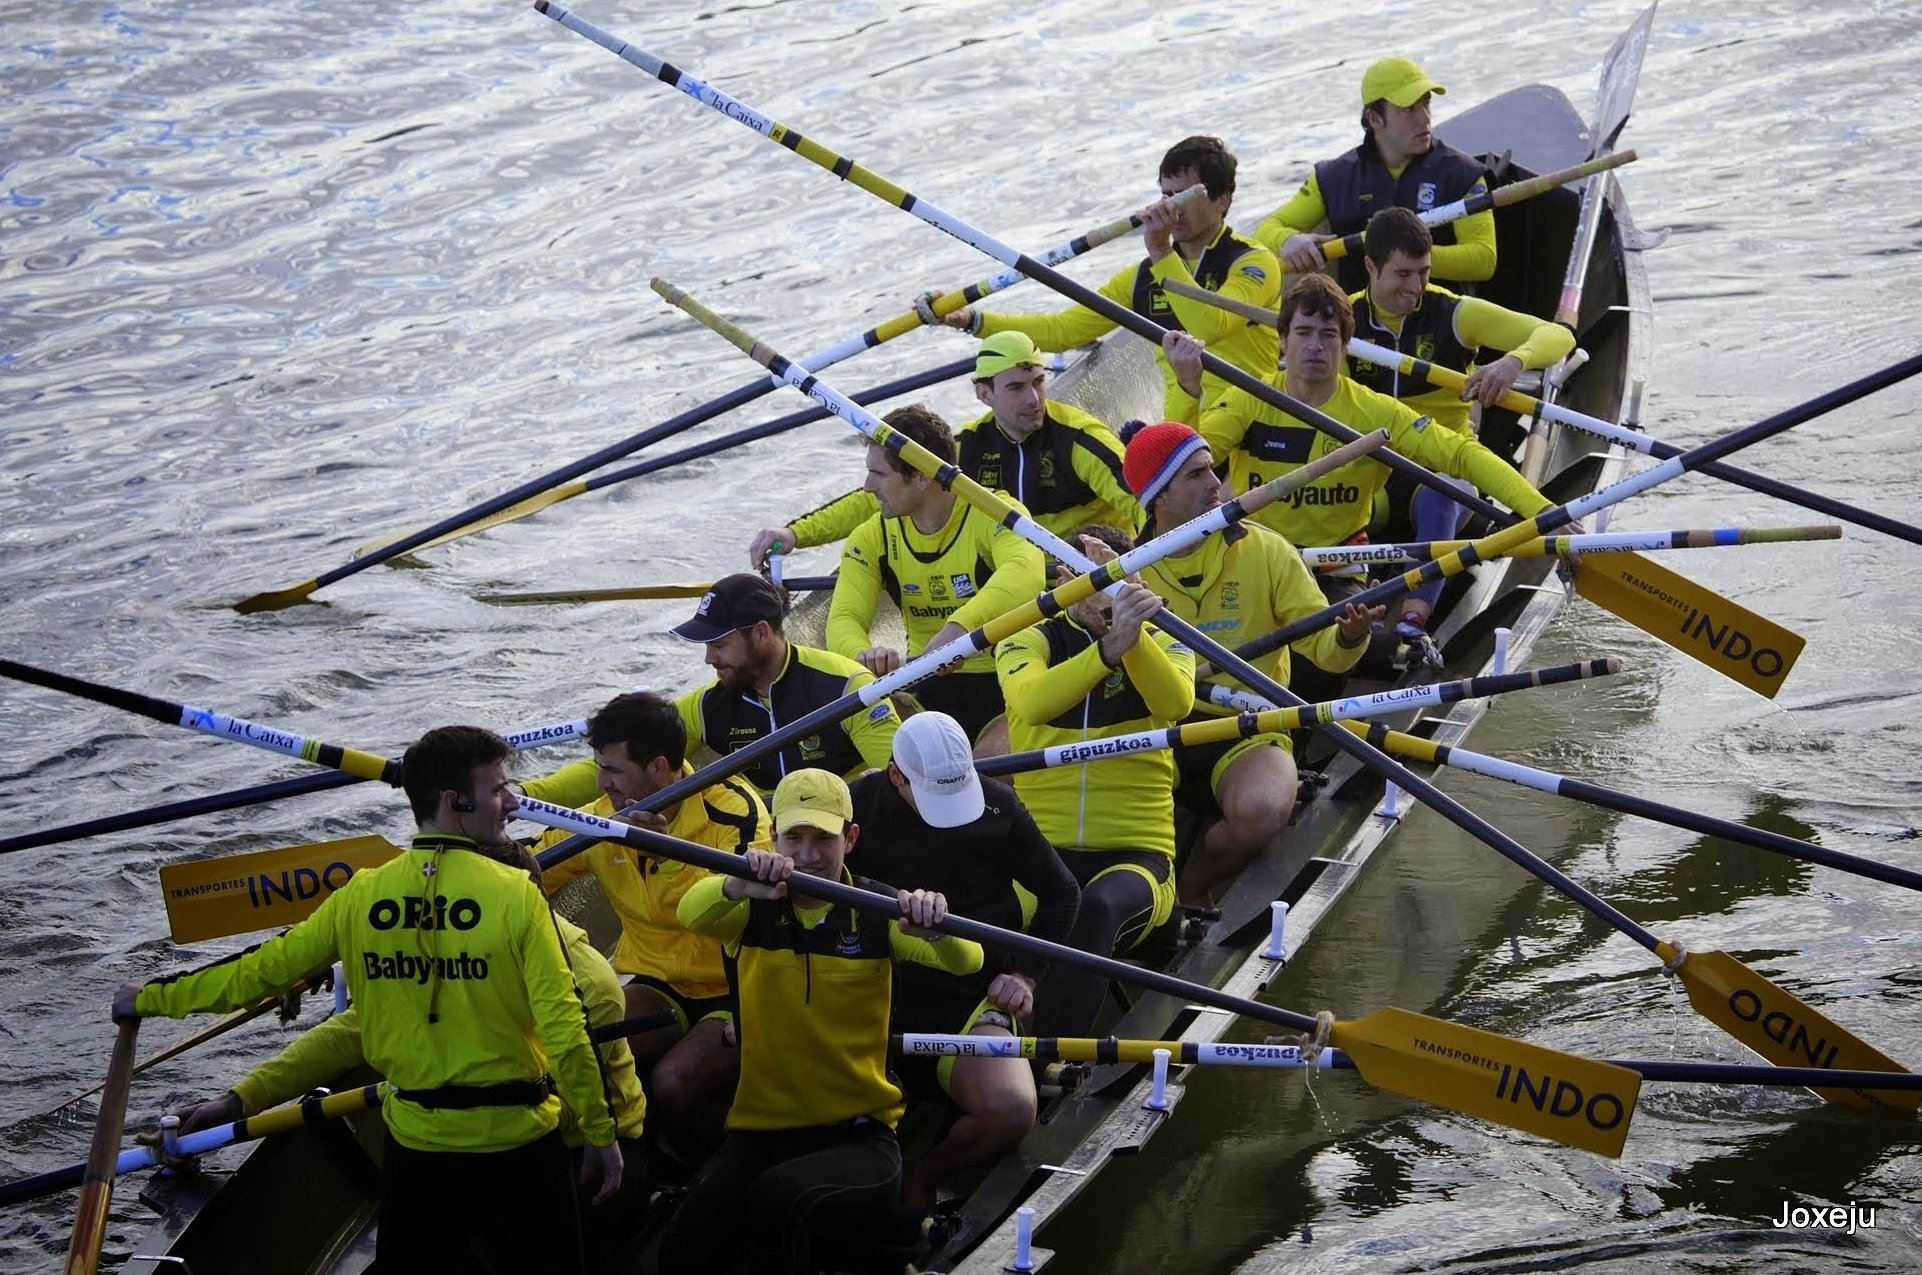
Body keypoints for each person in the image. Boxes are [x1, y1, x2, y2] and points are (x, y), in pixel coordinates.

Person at [114, 725, 620, 1275]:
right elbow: (565, 1030)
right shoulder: (517, 894)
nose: (514, 801)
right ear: (455, 802)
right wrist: (599, 1132)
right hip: (518, 1151)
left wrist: (151, 999)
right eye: (500, 789)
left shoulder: (360, 894)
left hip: (416, 1157)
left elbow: (253, 976)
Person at [165, 841, 652, 1272]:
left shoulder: (589, 984)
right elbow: (351, 1032)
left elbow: (568, 1106)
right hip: (476, 1132)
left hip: (578, 1144)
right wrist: (240, 1098)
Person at [657, 768, 984, 1275]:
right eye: (795, 838)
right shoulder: (746, 910)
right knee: (681, 1255)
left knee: (779, 1200)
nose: (807, 856)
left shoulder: (878, 910)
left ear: (850, 839)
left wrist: (936, 922)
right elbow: (690, 913)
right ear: (773, 839)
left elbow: (969, 961)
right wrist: (735, 882)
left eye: (823, 839)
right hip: (761, 1131)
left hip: (858, 1133)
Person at [1183, 273, 1555, 669]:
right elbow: (1182, 464)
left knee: (1342, 659)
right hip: (1255, 561)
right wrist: (1191, 391)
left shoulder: (1372, 410)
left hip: (1332, 564)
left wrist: (1542, 510)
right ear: (1282, 341)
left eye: (1327, 335)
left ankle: (1396, 638)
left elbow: (1460, 454)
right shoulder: (1246, 401)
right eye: (1303, 332)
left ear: (1345, 347)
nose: (1314, 346)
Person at [1120, 425, 1381, 904]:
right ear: (1158, 498)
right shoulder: (1125, 570)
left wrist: (1349, 635)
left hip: (1251, 724)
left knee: (1262, 812)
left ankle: (1193, 888)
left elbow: (1322, 649)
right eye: (1196, 475)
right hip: (1155, 726)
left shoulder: (1266, 549)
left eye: (1212, 470)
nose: (1215, 484)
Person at [524, 691, 770, 1169]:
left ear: (659, 768)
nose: (601, 782)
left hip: (736, 987)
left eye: (613, 770)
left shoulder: (736, 809)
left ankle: (715, 1173)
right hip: (657, 983)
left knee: (675, 1082)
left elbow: (740, 913)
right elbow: (528, 871)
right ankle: (627, 1166)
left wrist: (664, 853)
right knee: (582, 1054)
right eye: (599, 767)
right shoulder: (599, 818)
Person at [847, 710, 1080, 1206]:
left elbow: (1062, 894)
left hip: (972, 991)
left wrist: (1026, 975)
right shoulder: (852, 809)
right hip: (871, 988)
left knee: (1012, 1110)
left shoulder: (998, 806)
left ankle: (925, 1176)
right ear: (895, 776)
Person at [994, 527, 1192, 1038]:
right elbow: (1035, 701)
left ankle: (1050, 1058)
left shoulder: (1168, 637)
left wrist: (1131, 634)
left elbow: (1176, 706)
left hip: (1137, 857)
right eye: (1085, 578)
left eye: (1111, 581)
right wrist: (1107, 648)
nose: (1097, 592)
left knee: (1096, 907)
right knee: (975, 908)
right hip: (1041, 853)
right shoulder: (1024, 635)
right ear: (1062, 580)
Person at [933, 136, 1280, 424]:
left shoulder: (1254, 263)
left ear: (1223, 200)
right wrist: (970, 320)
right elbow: (1062, 331)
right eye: (1166, 195)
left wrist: (1160, 251)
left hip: (1256, 418)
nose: (1173, 208)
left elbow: (1209, 328)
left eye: (1186, 196)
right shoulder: (1143, 278)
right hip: (1187, 428)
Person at [1350, 205, 1576, 630]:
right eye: (1402, 274)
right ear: (1369, 266)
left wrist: (1514, 362)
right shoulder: (1342, 321)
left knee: (1441, 493)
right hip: (1370, 480)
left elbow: (1558, 336)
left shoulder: (1454, 314)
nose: (1416, 287)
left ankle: (1412, 624)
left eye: (1424, 272)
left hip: (1444, 470)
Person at [748, 331, 1142, 565]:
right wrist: (797, 534)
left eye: (1038, 382)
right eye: (1016, 388)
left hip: (1094, 564)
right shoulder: (968, 447)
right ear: (983, 393)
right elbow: (879, 493)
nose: (1035, 399)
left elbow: (1145, 503)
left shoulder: (1079, 439)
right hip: (1021, 577)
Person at [824, 403, 1046, 750]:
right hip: (924, 681)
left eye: (879, 474)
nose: (867, 487)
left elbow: (1027, 573)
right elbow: (843, 620)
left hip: (1010, 673)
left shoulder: (994, 510)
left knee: (986, 765)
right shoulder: (872, 537)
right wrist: (864, 655)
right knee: (904, 753)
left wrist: (958, 630)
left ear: (923, 476)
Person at [1254, 56, 1495, 292]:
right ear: (1374, 118)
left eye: (1426, 103)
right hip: (1358, 323)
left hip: (1437, 318)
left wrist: (1406, 253)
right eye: (1409, 109)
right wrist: (1287, 241)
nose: (1425, 117)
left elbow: (1484, 260)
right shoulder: (1333, 178)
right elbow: (1268, 228)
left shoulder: (1462, 174)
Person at [671, 571, 901, 796]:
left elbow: (902, 782)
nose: (709, 658)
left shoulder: (848, 686)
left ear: (761, 633)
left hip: (845, 824)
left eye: (719, 646)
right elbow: (644, 749)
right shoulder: (706, 706)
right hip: (765, 829)